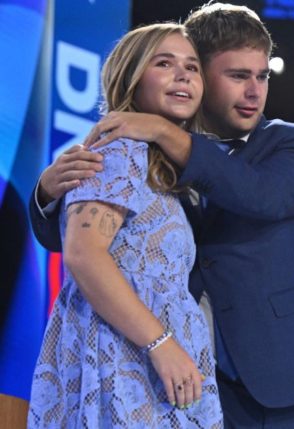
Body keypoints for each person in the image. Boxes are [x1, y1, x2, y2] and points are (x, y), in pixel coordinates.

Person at [28, 3, 294, 428]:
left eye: (262, 75)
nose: (255, 91)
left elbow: (265, 198)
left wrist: (162, 131)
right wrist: (48, 191)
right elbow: (81, 248)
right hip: (162, 371)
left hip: (273, 376)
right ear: (202, 76)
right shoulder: (134, 153)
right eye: (236, 76)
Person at [27, 23, 223, 428]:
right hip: (123, 352)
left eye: (192, 66)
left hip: (152, 357)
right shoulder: (120, 151)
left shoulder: (162, 167)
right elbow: (84, 256)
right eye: (164, 63)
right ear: (131, 77)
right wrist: (161, 343)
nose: (183, 74)